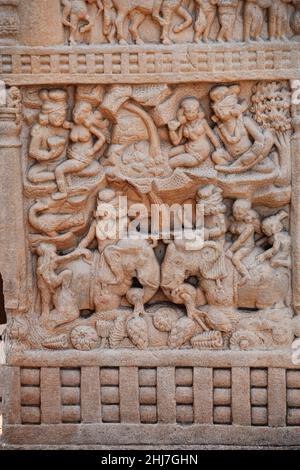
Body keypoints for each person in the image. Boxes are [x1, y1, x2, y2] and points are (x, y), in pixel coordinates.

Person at [53, 99, 108, 200]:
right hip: (71, 155)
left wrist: (93, 150)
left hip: (82, 159)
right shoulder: (73, 125)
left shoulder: (88, 127)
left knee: (59, 170)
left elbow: (102, 138)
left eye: (79, 113)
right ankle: (70, 177)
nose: (75, 115)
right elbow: (60, 122)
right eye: (75, 112)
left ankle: (62, 192)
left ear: (86, 115)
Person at [168, 97, 221, 169]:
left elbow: (212, 136)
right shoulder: (184, 124)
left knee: (172, 162)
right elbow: (176, 142)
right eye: (188, 112)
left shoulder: (202, 122)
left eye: (193, 112)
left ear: (198, 111)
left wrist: (219, 148)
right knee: (169, 153)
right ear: (183, 112)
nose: (191, 114)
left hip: (200, 152)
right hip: (187, 147)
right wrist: (172, 130)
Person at [227, 199, 261, 281]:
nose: (236, 216)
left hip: (246, 246)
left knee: (235, 258)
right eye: (234, 213)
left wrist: (230, 250)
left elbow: (240, 240)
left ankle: (245, 275)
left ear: (247, 213)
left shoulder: (249, 227)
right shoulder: (237, 221)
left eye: (239, 214)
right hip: (237, 243)